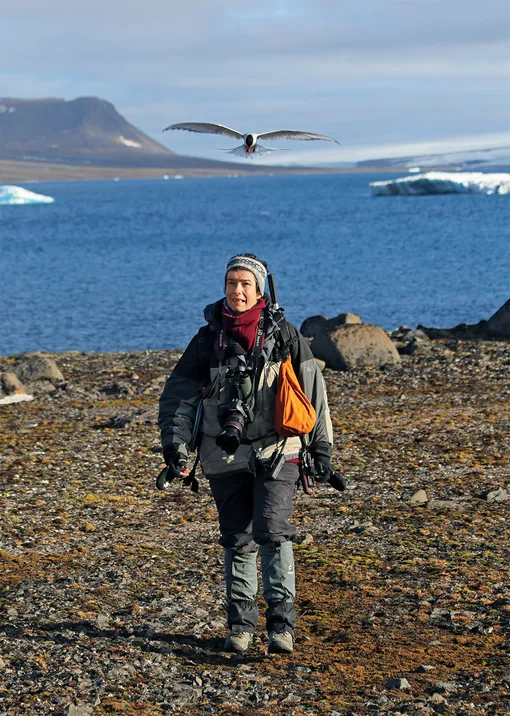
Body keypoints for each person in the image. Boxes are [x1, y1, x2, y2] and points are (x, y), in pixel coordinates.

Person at [158, 253, 343, 654]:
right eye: (230, 283)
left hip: (279, 449)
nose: (237, 290)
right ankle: (241, 626)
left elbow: (315, 396)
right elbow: (178, 399)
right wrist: (174, 448)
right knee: (237, 538)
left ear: (259, 289)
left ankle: (282, 627)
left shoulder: (285, 335)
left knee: (272, 532)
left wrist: (322, 450)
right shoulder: (207, 339)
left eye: (245, 284)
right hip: (222, 454)